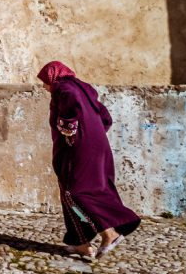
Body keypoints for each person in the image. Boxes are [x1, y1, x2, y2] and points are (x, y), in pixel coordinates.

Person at [37, 61, 140, 259]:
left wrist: (69, 130)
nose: (44, 87)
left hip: (77, 148)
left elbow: (70, 107)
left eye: (45, 81)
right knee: (76, 191)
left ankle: (110, 232)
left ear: (53, 77)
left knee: (75, 192)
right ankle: (80, 242)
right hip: (97, 146)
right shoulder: (85, 89)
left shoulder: (64, 88)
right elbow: (105, 118)